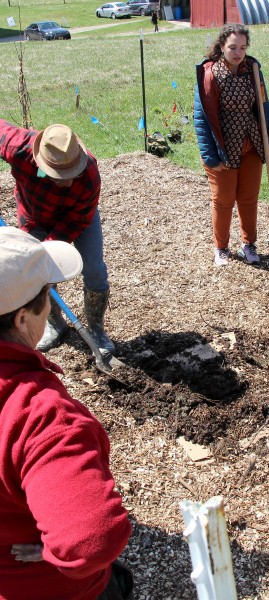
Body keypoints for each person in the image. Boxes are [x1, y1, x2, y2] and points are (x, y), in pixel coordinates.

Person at [0, 226, 132, 600]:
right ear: (23, 319)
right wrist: (52, 552)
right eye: (47, 299)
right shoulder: (37, 415)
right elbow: (91, 542)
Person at [0, 120, 115, 354]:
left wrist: (48, 250)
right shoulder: (18, 149)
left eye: (73, 172)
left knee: (94, 270)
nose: (70, 180)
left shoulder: (90, 173)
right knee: (39, 276)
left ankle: (96, 331)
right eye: (61, 175)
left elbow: (77, 221)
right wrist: (41, 260)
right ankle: (56, 325)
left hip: (77, 218)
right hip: (34, 217)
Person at [193, 23, 269, 267]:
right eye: (232, 47)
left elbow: (263, 107)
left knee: (248, 198)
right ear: (222, 46)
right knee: (223, 200)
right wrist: (210, 156)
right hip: (223, 148)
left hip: (251, 144)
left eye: (242, 47)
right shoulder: (209, 74)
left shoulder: (252, 70)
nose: (237, 52)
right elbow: (201, 119)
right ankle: (221, 247)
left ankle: (249, 244)